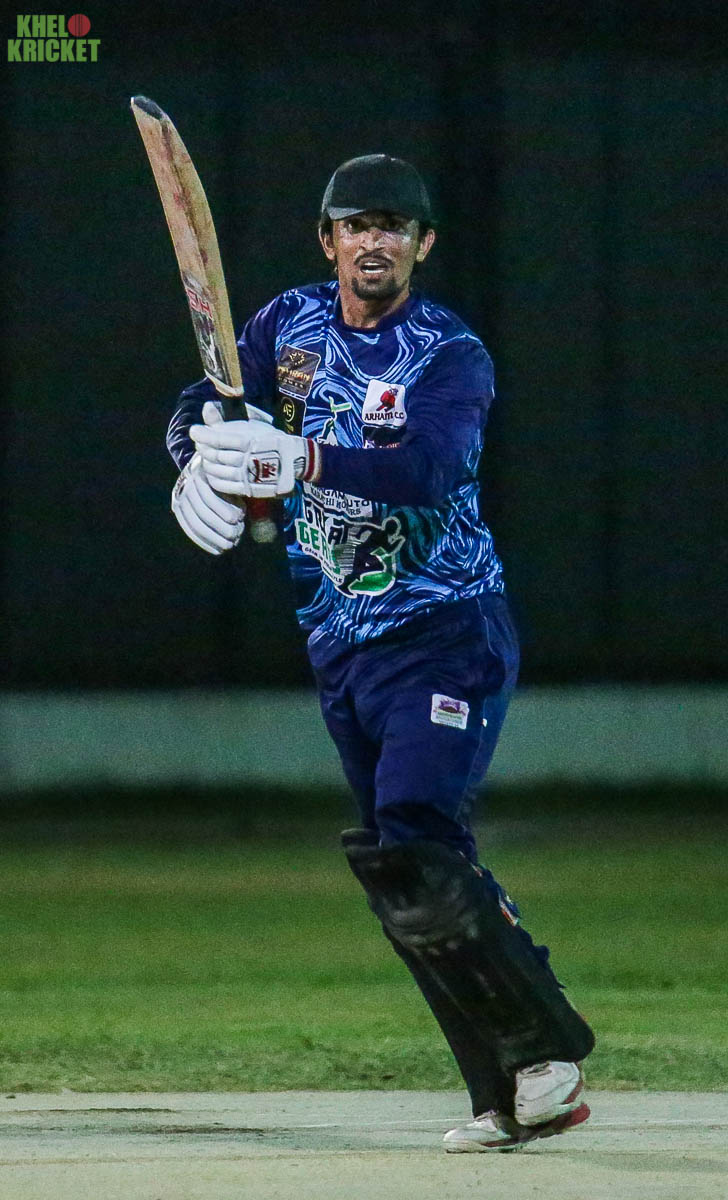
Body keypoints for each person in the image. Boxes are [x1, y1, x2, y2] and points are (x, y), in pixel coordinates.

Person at [167, 154, 595, 1152]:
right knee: (403, 869)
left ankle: (546, 1053)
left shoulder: (448, 353)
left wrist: (303, 456)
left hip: (446, 628)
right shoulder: (285, 325)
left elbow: (431, 467)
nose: (374, 241)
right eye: (355, 224)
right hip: (340, 643)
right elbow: (204, 399)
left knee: (413, 829)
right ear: (328, 240)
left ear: (422, 244)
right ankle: (500, 1092)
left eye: (393, 226)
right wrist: (192, 459)